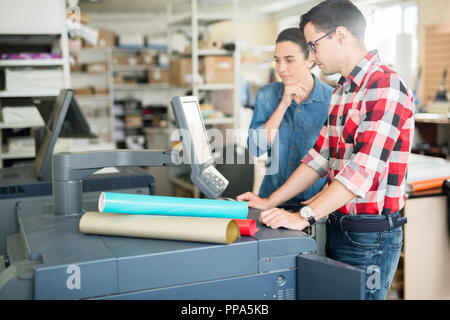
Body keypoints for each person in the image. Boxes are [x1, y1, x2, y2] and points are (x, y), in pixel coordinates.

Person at [237, 0, 415, 300]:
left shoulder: (385, 85)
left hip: (369, 235)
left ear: (340, 36)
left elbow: (361, 172)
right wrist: (269, 201)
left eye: (313, 45)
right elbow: (318, 158)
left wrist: (303, 215)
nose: (312, 55)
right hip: (336, 223)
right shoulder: (344, 90)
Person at [248, 27, 333, 205]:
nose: (281, 68)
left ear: (310, 59)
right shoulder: (267, 95)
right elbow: (256, 148)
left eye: (289, 60)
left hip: (313, 204)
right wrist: (283, 105)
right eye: (277, 60)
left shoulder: (332, 99)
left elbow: (339, 160)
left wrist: (324, 195)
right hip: (270, 200)